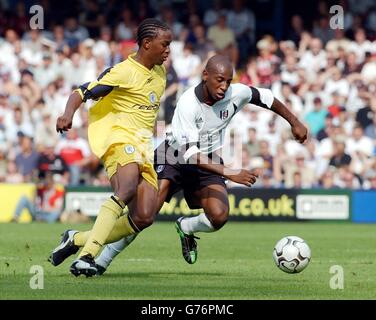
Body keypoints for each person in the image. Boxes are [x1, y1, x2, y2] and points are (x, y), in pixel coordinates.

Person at [95, 54, 308, 274]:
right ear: (205, 75)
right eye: (219, 80)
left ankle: (186, 227)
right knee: (144, 215)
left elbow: (266, 97)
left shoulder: (236, 93)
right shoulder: (188, 104)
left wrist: (295, 122)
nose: (224, 86)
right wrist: (231, 172)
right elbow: (190, 155)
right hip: (173, 156)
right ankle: (100, 260)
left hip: (208, 159)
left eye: (228, 81)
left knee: (219, 216)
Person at [48, 18, 172, 277]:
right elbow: (82, 91)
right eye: (165, 44)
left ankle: (76, 239)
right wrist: (68, 114)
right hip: (119, 140)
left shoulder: (160, 73)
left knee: (144, 217)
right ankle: (87, 256)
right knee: (126, 188)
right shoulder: (123, 72)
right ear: (147, 44)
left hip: (143, 147)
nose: (168, 50)